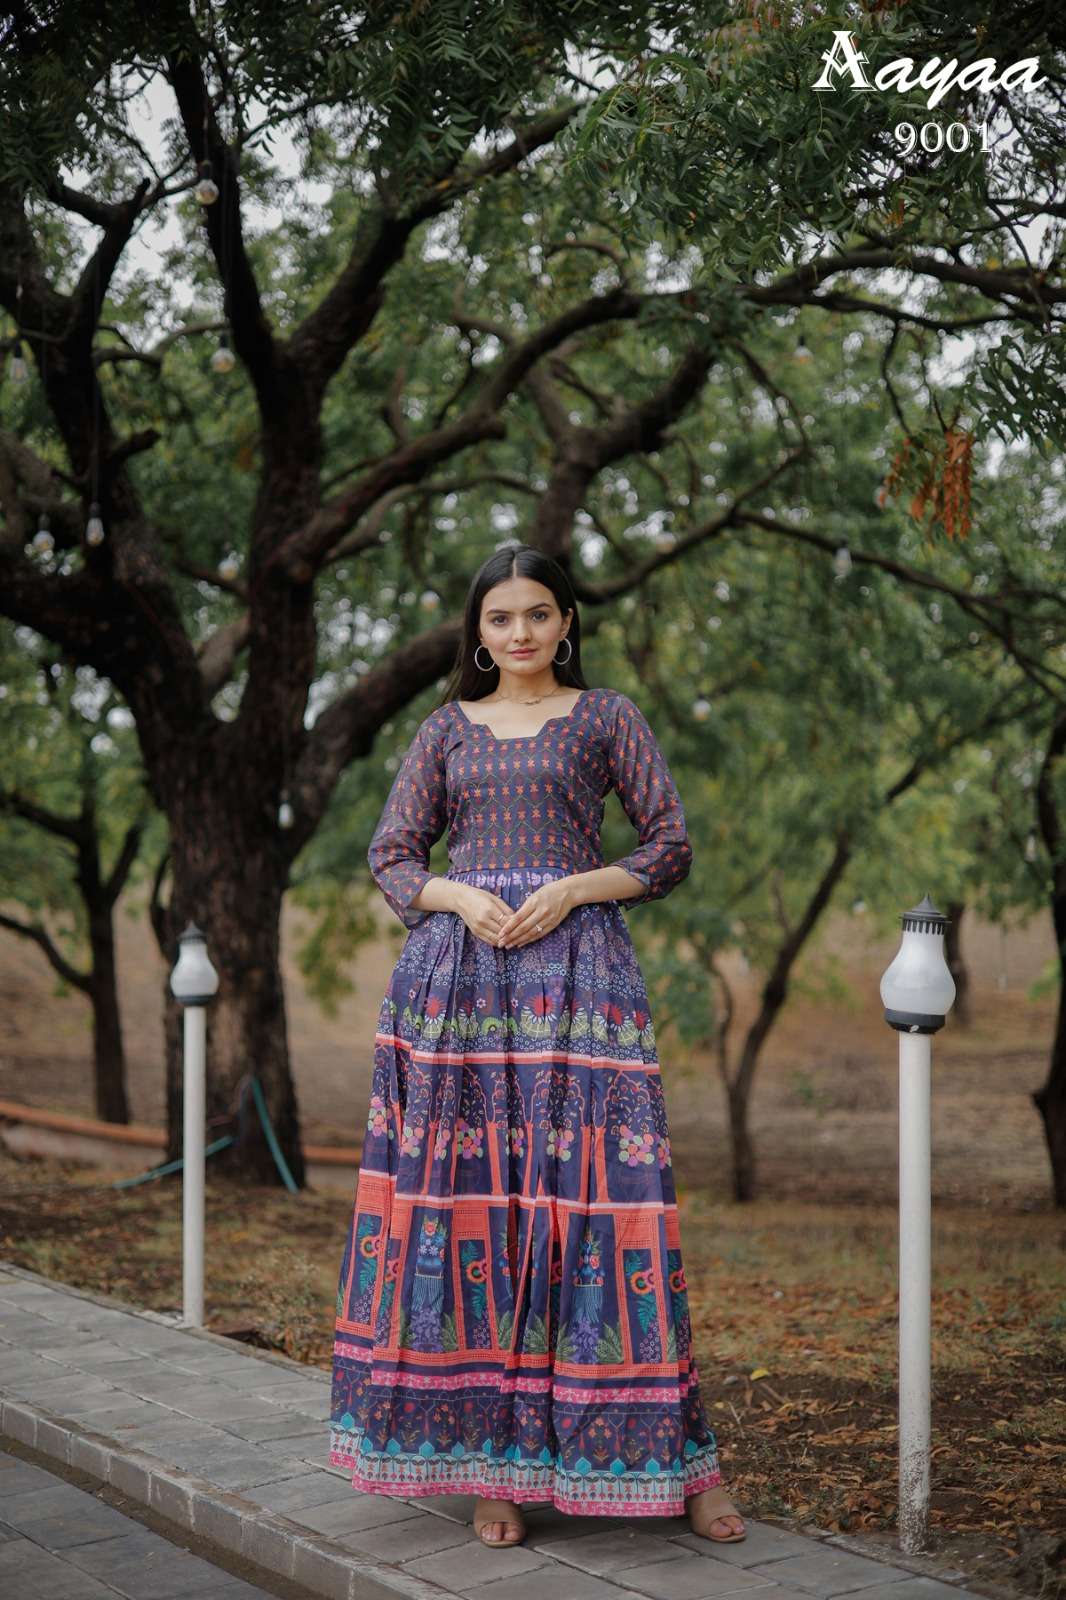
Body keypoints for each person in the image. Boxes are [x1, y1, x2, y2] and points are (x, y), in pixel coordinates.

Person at [329, 544, 746, 1548]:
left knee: (608, 1211)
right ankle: (493, 1467)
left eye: (538, 614)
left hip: (579, 988)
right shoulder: (443, 732)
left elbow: (667, 845)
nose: (519, 632)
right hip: (460, 993)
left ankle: (684, 1464)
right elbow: (391, 854)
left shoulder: (605, 719)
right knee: (477, 1217)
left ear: (567, 622)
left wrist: (571, 885)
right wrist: (461, 893)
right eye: (501, 616)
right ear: (477, 631)